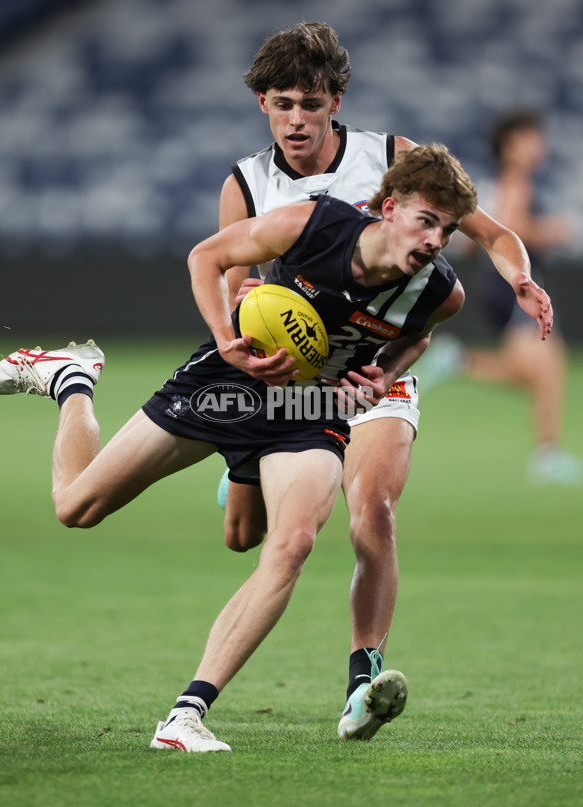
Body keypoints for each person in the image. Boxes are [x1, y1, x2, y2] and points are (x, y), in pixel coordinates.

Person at [0, 144, 486, 752]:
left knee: (290, 544)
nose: (436, 240)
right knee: (77, 507)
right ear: (389, 209)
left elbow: (418, 334)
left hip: (310, 413)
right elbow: (206, 256)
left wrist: (384, 374)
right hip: (229, 381)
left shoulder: (441, 291)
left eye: (447, 230)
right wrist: (227, 338)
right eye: (426, 221)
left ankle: (185, 715)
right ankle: (71, 381)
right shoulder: (315, 225)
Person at [213, 23, 554, 741]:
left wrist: (519, 276)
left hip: (377, 367)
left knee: (374, 510)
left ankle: (362, 685)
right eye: (283, 104)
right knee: (243, 536)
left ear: (335, 102)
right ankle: (244, 473)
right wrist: (246, 317)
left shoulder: (393, 157)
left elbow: (492, 234)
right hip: (298, 378)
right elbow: (231, 281)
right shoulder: (246, 184)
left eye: (311, 103)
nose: (297, 119)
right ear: (262, 104)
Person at [418, 109, 581, 485]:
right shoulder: (514, 181)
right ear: (509, 145)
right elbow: (512, 226)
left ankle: (460, 361)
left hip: (505, 283)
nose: (538, 146)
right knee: (546, 365)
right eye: (529, 138)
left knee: (538, 369)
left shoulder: (501, 182)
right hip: (515, 284)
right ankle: (548, 456)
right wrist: (551, 231)